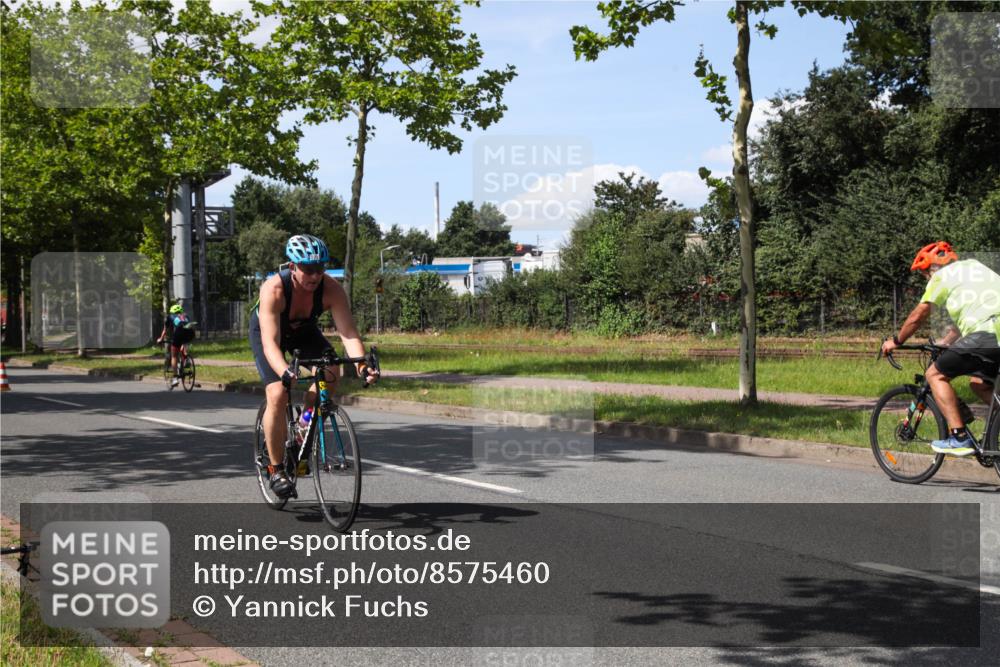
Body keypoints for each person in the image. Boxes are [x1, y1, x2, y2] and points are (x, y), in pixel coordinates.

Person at [250, 234, 379, 498]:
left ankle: (305, 422)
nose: (315, 275)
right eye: (308, 269)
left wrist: (362, 366)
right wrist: (286, 371)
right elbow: (270, 345)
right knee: (278, 393)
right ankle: (275, 469)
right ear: (292, 266)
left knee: (331, 372)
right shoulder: (273, 290)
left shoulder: (331, 289)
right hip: (269, 334)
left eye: (320, 268)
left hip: (303, 332)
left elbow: (348, 333)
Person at [881, 242, 1000, 455]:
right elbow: (967, 320)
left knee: (934, 375)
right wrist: (946, 342)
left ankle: (959, 438)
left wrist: (896, 341)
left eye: (925, 273)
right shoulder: (974, 267)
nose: (927, 278)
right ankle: (993, 436)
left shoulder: (941, 277)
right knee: (979, 384)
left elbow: (918, 316)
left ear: (933, 268)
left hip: (986, 334)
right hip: (992, 333)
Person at [156, 304, 195, 388]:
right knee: (184, 343)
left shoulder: (170, 316)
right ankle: (186, 358)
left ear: (172, 311)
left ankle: (175, 378)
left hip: (179, 332)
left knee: (174, 356)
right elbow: (186, 326)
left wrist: (161, 339)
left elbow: (165, 330)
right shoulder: (185, 315)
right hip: (190, 332)